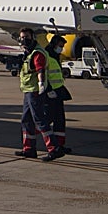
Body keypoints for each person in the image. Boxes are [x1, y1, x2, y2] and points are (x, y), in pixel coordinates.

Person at [15, 28, 63, 161]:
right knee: (26, 120)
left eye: (27, 37)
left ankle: (54, 148)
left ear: (33, 38)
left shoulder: (37, 53)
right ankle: (29, 149)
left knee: (40, 120)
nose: (24, 40)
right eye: (22, 37)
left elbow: (40, 69)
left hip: (35, 91)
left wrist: (42, 84)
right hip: (28, 90)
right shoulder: (28, 53)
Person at [44, 34, 71, 155]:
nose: (62, 48)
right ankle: (52, 146)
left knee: (60, 120)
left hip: (58, 92)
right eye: (60, 46)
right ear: (54, 44)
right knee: (46, 120)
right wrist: (49, 90)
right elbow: (43, 74)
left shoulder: (55, 55)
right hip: (49, 94)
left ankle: (60, 145)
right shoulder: (47, 56)